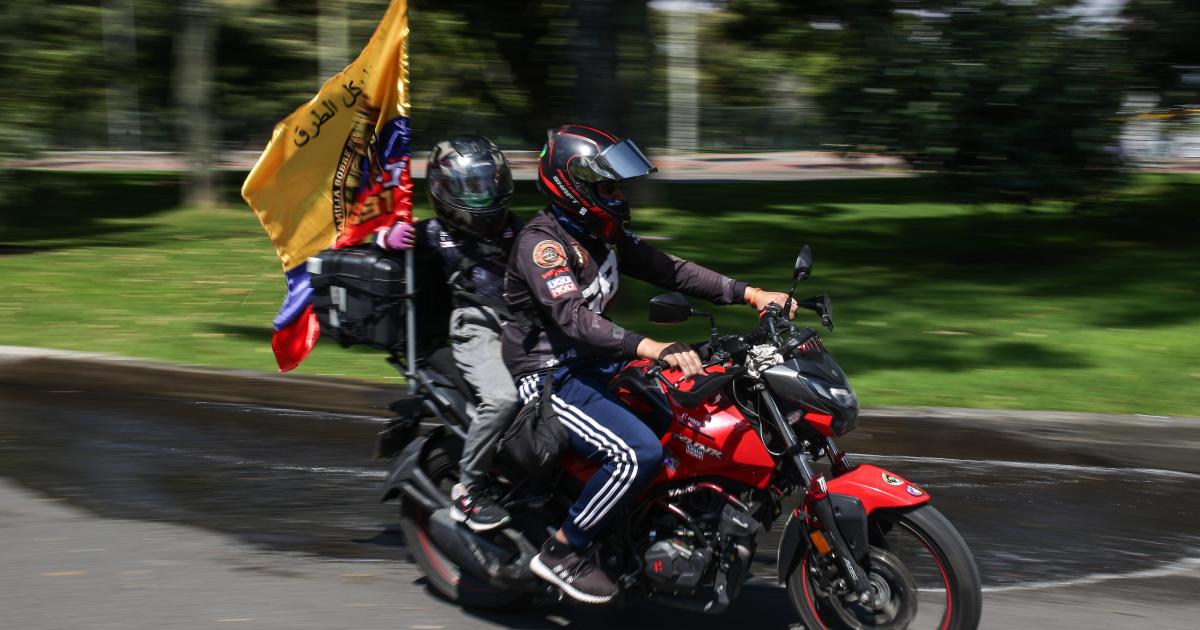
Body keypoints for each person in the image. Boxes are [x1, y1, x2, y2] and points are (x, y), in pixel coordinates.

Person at [503, 124, 796, 604]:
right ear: (574, 186)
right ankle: (562, 550)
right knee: (636, 452)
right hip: (551, 373)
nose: (619, 195)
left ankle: (651, 532)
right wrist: (652, 347)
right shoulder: (544, 245)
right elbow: (573, 320)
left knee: (692, 420)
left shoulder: (601, 235)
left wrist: (752, 294)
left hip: (597, 365)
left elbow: (671, 269)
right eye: (609, 186)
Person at [380, 134, 521, 532]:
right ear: (444, 190)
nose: (484, 194)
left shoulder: (515, 229)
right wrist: (386, 239)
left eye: (489, 184)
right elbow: (361, 242)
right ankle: (470, 489)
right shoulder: (433, 233)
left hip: (523, 325)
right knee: (501, 399)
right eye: (472, 188)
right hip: (475, 326)